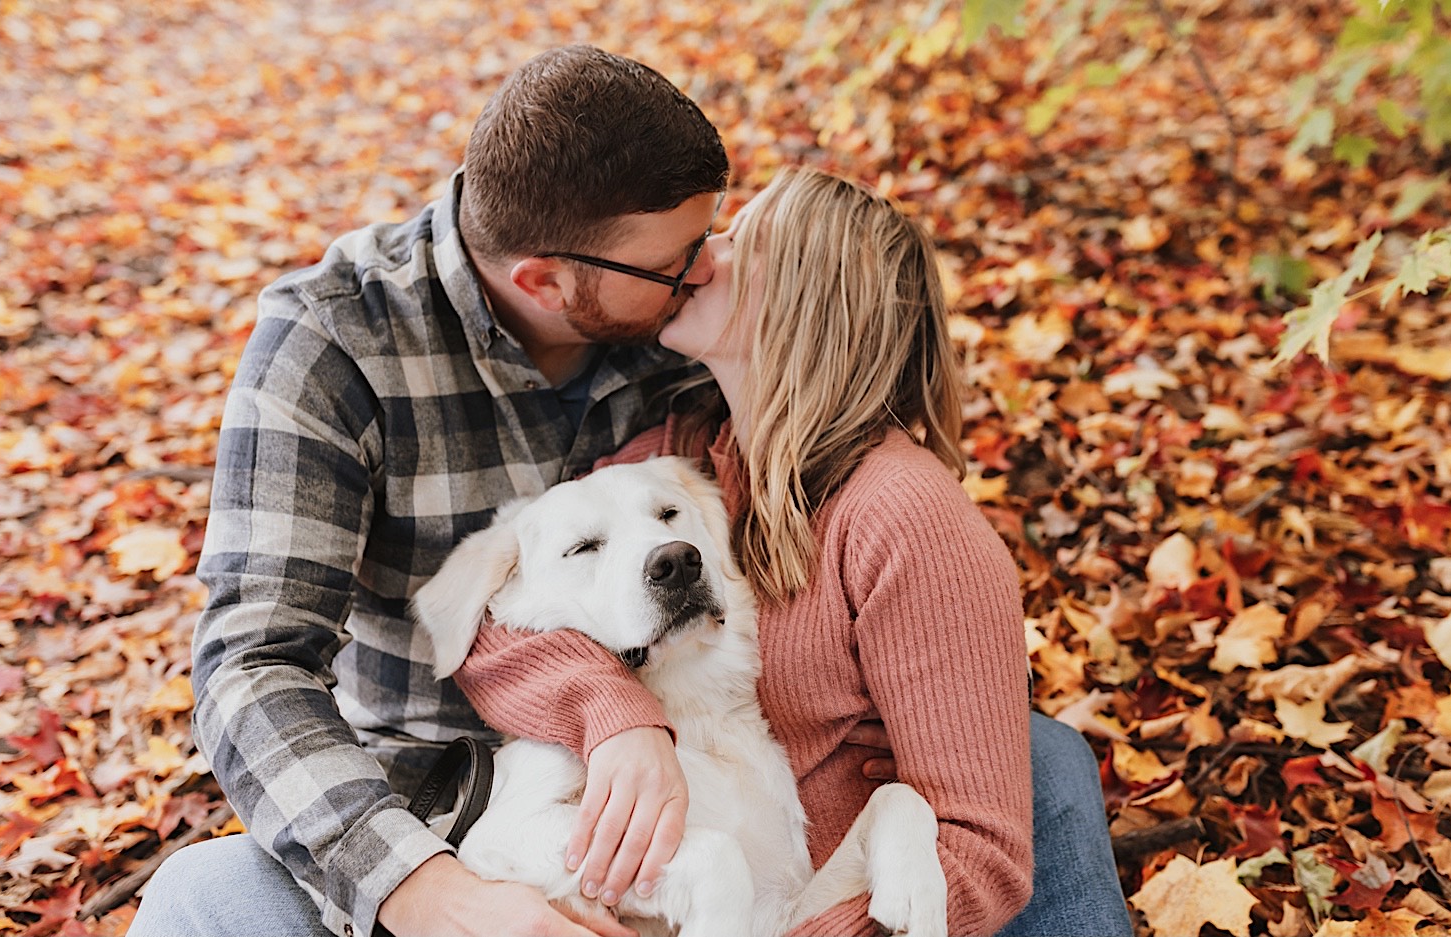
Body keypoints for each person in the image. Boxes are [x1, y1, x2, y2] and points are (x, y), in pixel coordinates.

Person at [128, 45, 1129, 937]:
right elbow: (256, 661)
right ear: (546, 280)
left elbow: (833, 376)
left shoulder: (695, 373)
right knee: (203, 895)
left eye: (720, 239)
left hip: (734, 791)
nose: (702, 268)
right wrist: (436, 886)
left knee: (1038, 763)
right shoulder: (336, 346)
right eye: (679, 259)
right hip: (446, 794)